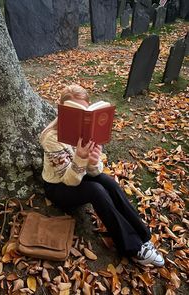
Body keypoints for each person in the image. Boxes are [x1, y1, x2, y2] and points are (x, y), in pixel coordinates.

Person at [39, 84, 164, 267]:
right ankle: (133, 248)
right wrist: (81, 158)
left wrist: (93, 160)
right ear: (63, 111)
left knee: (108, 182)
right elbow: (69, 181)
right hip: (58, 187)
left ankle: (142, 235)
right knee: (95, 190)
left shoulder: (87, 130)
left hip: (77, 175)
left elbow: (95, 172)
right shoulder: (51, 137)